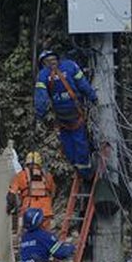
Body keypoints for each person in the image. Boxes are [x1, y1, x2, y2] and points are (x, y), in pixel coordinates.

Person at [34, 50, 98, 178]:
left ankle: (77, 166)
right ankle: (85, 171)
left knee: (67, 142)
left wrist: (39, 117)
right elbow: (83, 85)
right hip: (76, 111)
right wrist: (93, 98)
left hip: (61, 115)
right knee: (79, 140)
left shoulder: (43, 75)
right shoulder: (70, 66)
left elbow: (41, 99)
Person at [7, 151, 57, 229]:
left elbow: (11, 194)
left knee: (27, 236)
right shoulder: (47, 176)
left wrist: (9, 208)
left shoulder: (21, 175)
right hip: (46, 212)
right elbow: (53, 193)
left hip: (28, 211)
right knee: (45, 235)